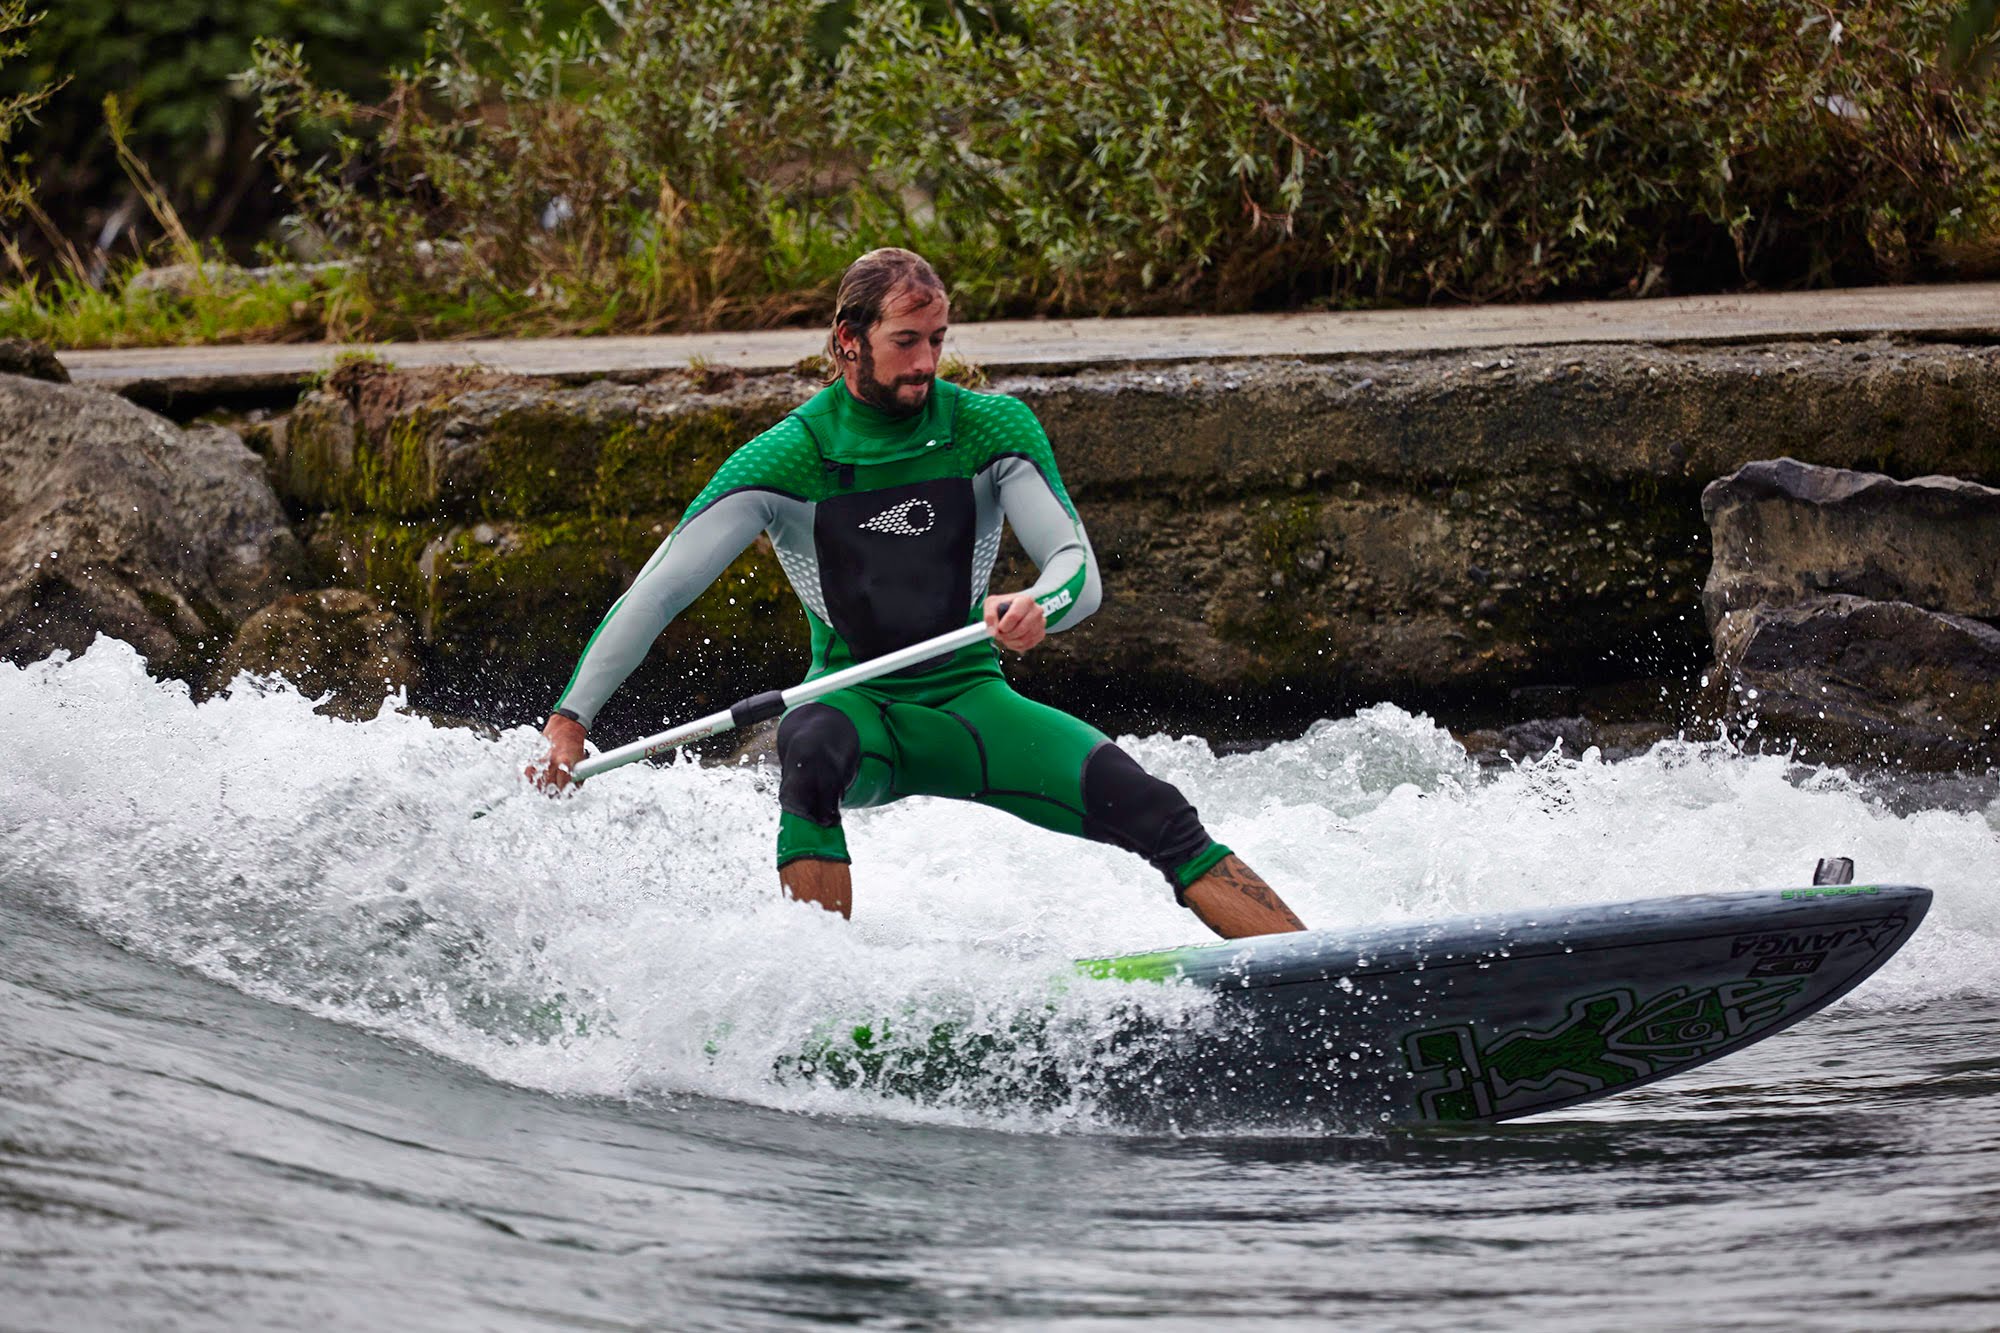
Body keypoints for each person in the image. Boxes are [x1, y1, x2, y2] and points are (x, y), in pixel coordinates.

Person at [531, 248, 1305, 939]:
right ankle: (819, 988)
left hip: (972, 705)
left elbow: (1076, 568)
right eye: (906, 340)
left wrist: (1038, 604)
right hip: (856, 707)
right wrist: (571, 720)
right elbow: (659, 592)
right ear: (848, 340)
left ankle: (1319, 973)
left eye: (938, 339)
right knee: (808, 749)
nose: (927, 361)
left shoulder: (990, 428)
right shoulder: (787, 457)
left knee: (1159, 810)